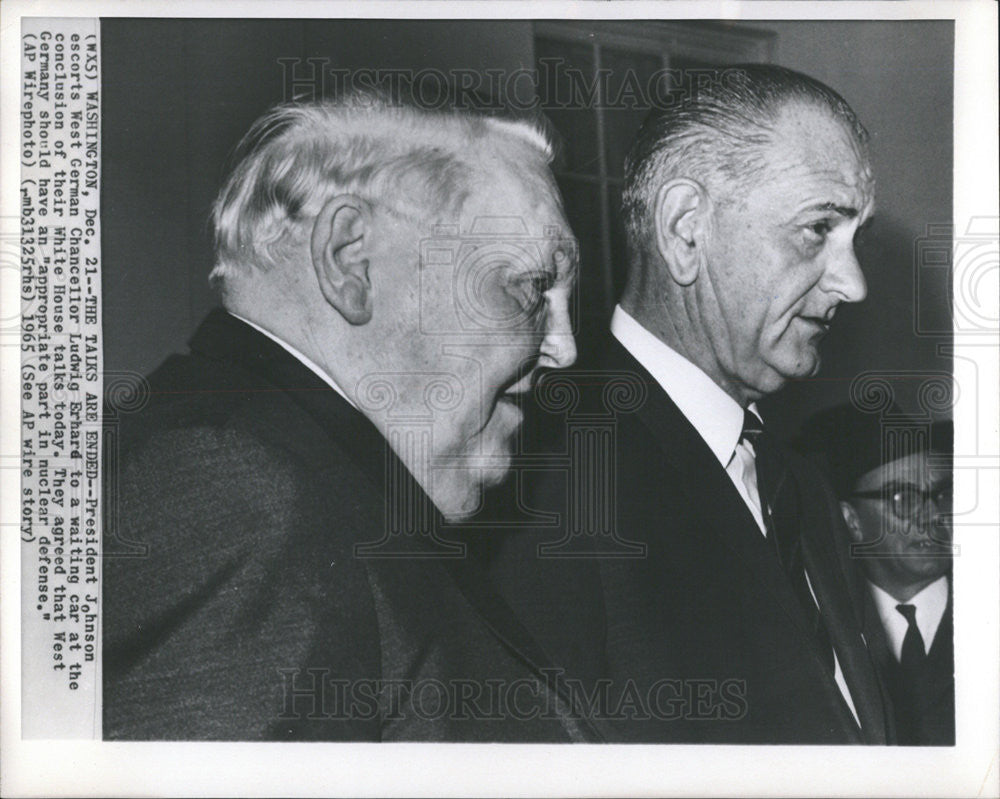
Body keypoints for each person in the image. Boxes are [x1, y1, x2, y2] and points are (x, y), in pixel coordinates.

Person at [102, 92, 592, 741]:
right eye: (531, 288)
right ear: (351, 260)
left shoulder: (322, 491)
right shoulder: (241, 493)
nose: (565, 347)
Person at [490, 64, 892, 743]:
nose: (853, 284)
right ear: (684, 231)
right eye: (817, 229)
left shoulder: (802, 490)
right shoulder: (540, 479)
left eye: (858, 239)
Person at [796, 404, 954, 745]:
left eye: (943, 494)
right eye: (903, 498)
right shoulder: (823, 629)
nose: (933, 516)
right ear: (850, 520)